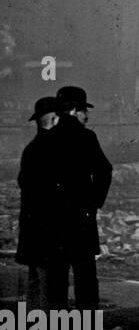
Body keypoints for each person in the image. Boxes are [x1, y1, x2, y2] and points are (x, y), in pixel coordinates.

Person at [44, 86, 113, 311]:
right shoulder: (86, 137)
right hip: (81, 218)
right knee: (85, 276)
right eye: (84, 110)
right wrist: (94, 202)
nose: (87, 115)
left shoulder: (48, 139)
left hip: (54, 219)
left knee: (56, 277)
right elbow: (104, 170)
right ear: (74, 110)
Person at [16, 96, 60, 307]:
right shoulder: (56, 150)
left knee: (36, 279)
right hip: (50, 227)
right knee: (49, 282)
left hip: (33, 226)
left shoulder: (30, 149)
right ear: (54, 120)